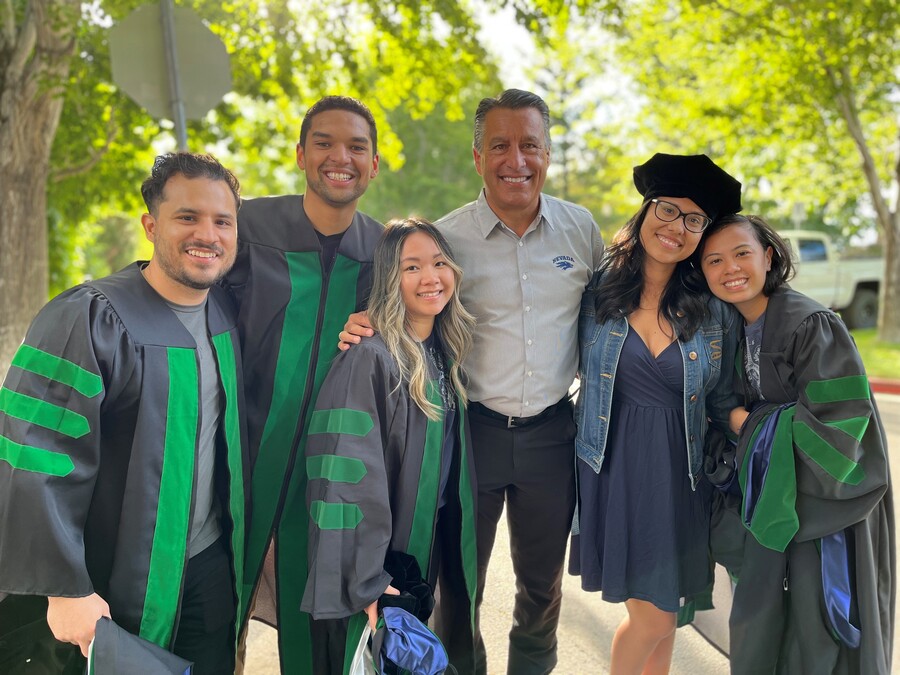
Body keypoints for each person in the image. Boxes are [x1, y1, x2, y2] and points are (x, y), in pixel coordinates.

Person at [341, 89, 603, 674]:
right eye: (501, 145)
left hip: (552, 434)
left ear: (548, 153)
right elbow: (406, 298)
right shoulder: (448, 238)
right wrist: (367, 322)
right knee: (460, 590)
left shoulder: (580, 231)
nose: (517, 160)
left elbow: (612, 317)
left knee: (542, 592)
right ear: (478, 156)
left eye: (530, 145)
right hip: (470, 434)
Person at [0, 152, 249, 675]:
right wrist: (63, 587)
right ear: (151, 224)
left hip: (205, 565)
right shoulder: (88, 317)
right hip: (105, 580)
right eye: (188, 217)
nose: (207, 233)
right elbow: (32, 456)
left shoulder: (224, 315)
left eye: (221, 221)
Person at [222, 95, 383, 672]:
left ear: (374, 164)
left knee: (317, 631)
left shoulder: (383, 253)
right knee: (216, 616)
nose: (340, 157)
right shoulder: (246, 228)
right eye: (324, 143)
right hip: (235, 459)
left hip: (330, 473)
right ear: (300, 155)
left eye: (356, 147)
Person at [698, 214, 894, 674]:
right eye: (714, 260)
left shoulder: (811, 324)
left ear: (768, 256)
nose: (730, 268)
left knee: (818, 627)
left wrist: (745, 421)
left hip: (826, 507)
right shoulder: (727, 327)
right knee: (765, 624)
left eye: (742, 253)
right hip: (771, 496)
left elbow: (839, 431)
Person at [572, 153, 742, 674]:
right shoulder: (596, 290)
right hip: (614, 464)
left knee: (666, 619)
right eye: (667, 210)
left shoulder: (713, 307)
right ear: (646, 211)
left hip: (682, 471)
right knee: (652, 619)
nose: (676, 228)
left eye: (694, 220)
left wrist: (765, 432)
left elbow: (723, 398)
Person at [301, 217, 479, 673]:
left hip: (420, 550)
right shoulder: (368, 358)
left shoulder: (439, 352)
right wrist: (369, 582)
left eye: (439, 263)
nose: (430, 277)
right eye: (411, 267)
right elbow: (342, 482)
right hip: (379, 573)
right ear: (388, 279)